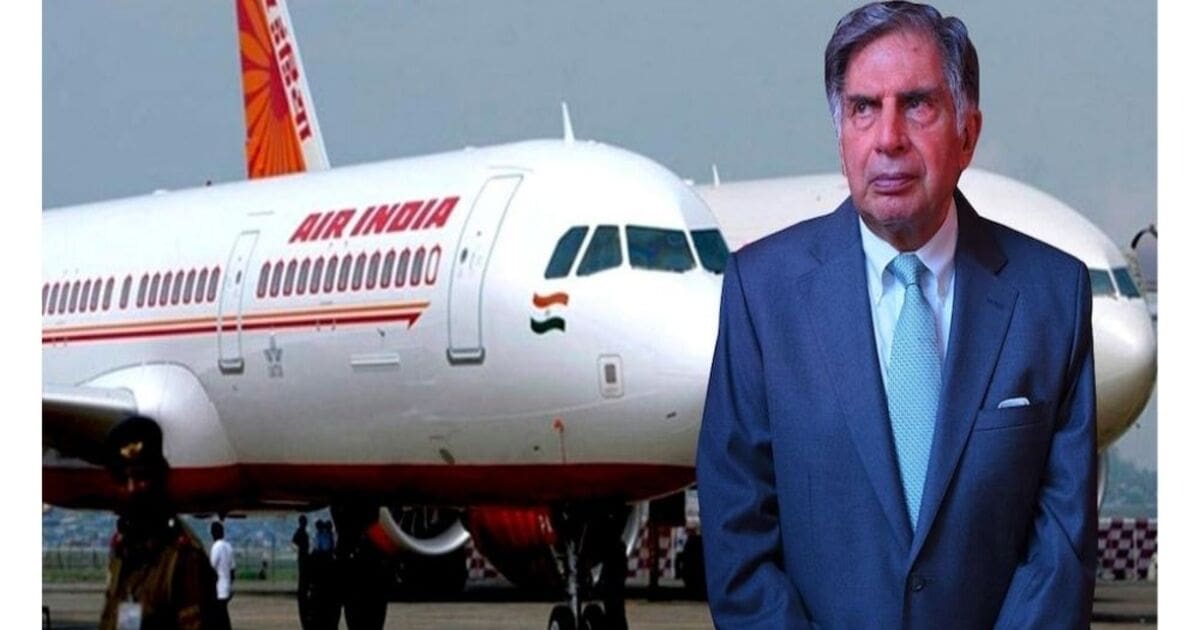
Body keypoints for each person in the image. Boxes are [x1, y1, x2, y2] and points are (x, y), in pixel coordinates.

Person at [695, 2, 1097, 628]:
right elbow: (737, 542)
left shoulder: (1052, 299)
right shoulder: (762, 296)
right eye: (863, 108)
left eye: (916, 104)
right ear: (841, 138)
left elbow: (1060, 552)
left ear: (967, 134)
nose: (888, 138)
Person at [99, 415, 220, 629]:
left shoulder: (182, 557)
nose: (132, 488)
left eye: (141, 477)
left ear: (160, 477)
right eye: (122, 479)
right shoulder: (122, 550)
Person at [209, 521, 235, 630]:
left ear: (213, 533)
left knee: (220, 615)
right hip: (226, 587)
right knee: (223, 613)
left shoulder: (216, 547)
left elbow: (211, 567)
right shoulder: (229, 547)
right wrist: (230, 584)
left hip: (218, 588)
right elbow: (232, 569)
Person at [293, 514, 314, 628]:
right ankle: (303, 588)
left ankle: (304, 587)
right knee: (303, 573)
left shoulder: (302, 532)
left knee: (304, 573)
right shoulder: (301, 532)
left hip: (304, 555)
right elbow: (294, 541)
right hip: (303, 556)